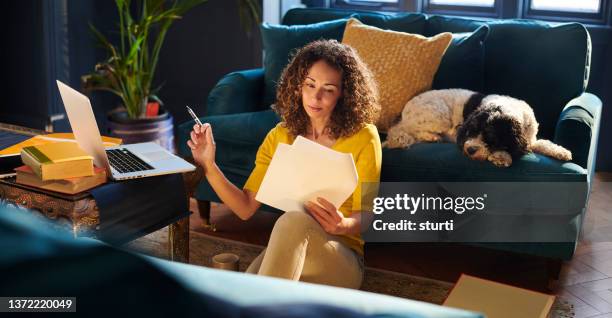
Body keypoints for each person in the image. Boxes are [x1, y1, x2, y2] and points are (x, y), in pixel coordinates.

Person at [187, 39, 381, 289]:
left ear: (344, 94)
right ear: (298, 84)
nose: (316, 96)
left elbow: (368, 215)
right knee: (246, 289)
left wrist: (343, 224)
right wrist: (209, 165)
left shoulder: (364, 136)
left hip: (341, 256)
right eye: (310, 84)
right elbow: (245, 208)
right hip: (295, 243)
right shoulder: (280, 136)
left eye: (329, 89)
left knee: (291, 221)